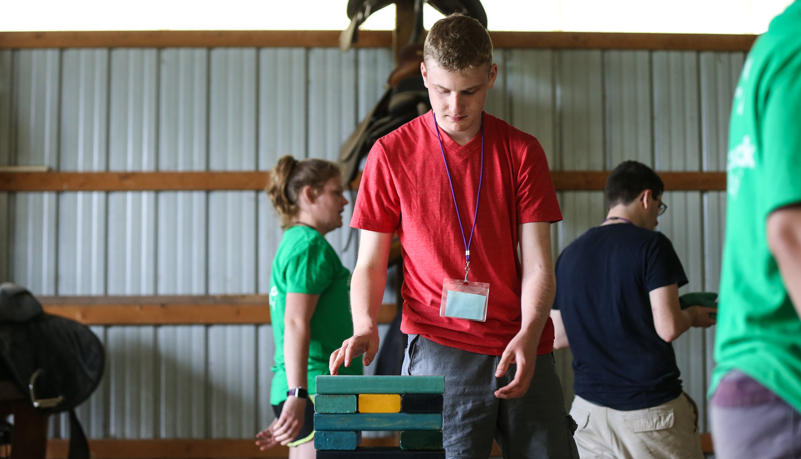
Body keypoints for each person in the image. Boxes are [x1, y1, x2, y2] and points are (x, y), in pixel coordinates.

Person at [328, 13, 579, 459]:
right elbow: (368, 261)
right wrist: (364, 324)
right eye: (442, 90)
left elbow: (539, 263)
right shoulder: (391, 154)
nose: (455, 107)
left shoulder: (522, 152)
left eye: (470, 91)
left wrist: (530, 331)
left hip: (522, 342)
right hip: (441, 346)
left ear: (492, 77)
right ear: (423, 74)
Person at [550, 160, 716, 459]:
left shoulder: (569, 254)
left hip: (588, 413)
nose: (655, 217)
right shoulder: (652, 245)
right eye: (658, 206)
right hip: (650, 412)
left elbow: (558, 337)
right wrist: (690, 314)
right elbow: (668, 327)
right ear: (646, 197)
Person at [709, 2, 801, 457]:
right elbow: (791, 234)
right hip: (784, 377)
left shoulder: (778, 41)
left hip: (756, 377)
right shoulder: (798, 47)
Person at [255, 156, 363, 459]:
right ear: (309, 194)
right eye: (335, 191)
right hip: (319, 392)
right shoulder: (309, 246)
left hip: (313, 391)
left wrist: (294, 395)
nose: (344, 201)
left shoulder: (295, 241)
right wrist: (298, 394)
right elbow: (295, 323)